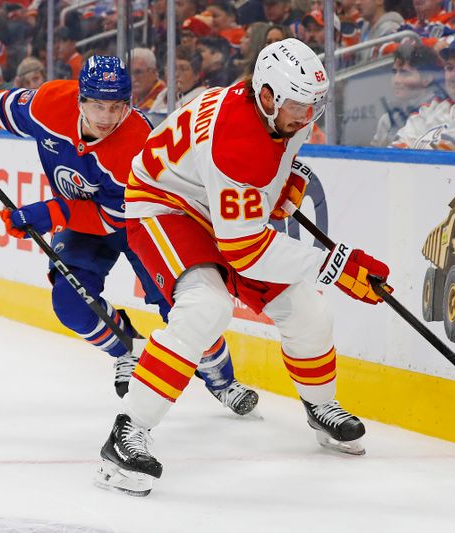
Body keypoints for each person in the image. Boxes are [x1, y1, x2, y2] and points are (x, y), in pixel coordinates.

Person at [95, 38, 390, 496]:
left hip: (218, 205)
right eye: (298, 104)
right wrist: (336, 264)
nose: (307, 115)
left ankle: (321, 407)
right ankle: (127, 432)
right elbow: (246, 250)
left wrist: (283, 182)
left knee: (309, 312)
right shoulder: (235, 140)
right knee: (205, 307)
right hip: (167, 206)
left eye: (316, 103)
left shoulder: (281, 109)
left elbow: (274, 162)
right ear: (267, 95)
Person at [0, 55, 259, 415]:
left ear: (128, 104)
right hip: (83, 221)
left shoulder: (138, 143)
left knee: (181, 306)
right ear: (80, 99)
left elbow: (117, 215)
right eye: (97, 105)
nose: (106, 117)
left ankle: (223, 381)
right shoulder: (49, 104)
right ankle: (126, 348)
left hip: (142, 221)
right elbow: (2, 107)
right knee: (70, 303)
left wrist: (51, 212)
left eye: (116, 107)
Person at [392, 36, 455, 151]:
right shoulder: (433, 105)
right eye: (449, 68)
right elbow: (398, 147)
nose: (454, 75)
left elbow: (446, 158)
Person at [371, 40, 444, 146]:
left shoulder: (440, 115)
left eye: (405, 73)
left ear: (426, 79)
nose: (396, 80)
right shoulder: (388, 119)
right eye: (394, 72)